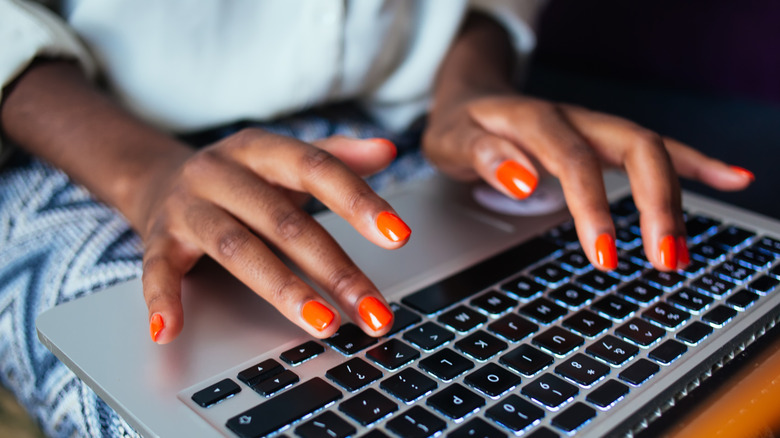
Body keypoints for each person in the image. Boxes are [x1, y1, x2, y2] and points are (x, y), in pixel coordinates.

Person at [0, 1, 754, 436]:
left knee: (603, 336)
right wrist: (148, 173)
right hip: (88, 145)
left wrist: (467, 91)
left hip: (383, 124)